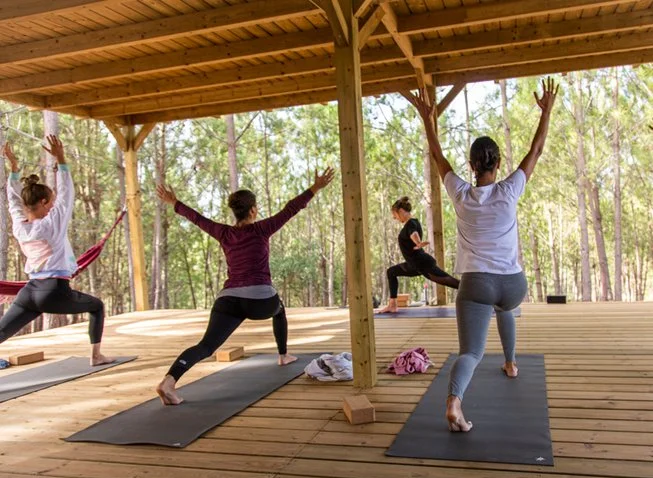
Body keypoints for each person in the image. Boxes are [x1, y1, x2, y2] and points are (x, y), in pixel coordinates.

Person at [403, 77, 558, 431]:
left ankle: (454, 403)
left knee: (471, 353)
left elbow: (437, 156)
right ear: (497, 163)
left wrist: (428, 119)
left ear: (471, 166)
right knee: (506, 307)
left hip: (475, 285)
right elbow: (535, 151)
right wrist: (546, 112)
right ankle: (511, 363)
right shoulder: (510, 189)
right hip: (512, 284)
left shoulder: (460, 193)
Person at [155, 167, 336, 405]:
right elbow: (291, 208)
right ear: (253, 210)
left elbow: (197, 218)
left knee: (206, 346)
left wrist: (174, 202)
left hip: (228, 300)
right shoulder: (261, 229)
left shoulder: (224, 233)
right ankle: (283, 355)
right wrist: (315, 188)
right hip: (260, 301)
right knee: (279, 309)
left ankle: (169, 382)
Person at [0, 136, 113, 366]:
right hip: (53, 290)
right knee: (97, 307)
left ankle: (97, 356)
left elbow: (13, 201)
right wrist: (61, 159)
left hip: (29, 293)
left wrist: (14, 169)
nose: (53, 205)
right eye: (50, 202)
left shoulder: (20, 225)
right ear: (42, 202)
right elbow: (66, 194)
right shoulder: (52, 224)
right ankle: (96, 356)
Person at [378, 196, 459, 313]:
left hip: (422, 263)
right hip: (414, 264)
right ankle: (392, 305)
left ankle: (477, 292)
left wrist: (418, 242)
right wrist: (417, 242)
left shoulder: (411, 223)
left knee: (450, 281)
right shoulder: (412, 223)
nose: (394, 218)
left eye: (394, 214)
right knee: (391, 272)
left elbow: (413, 234)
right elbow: (413, 233)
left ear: (401, 211)